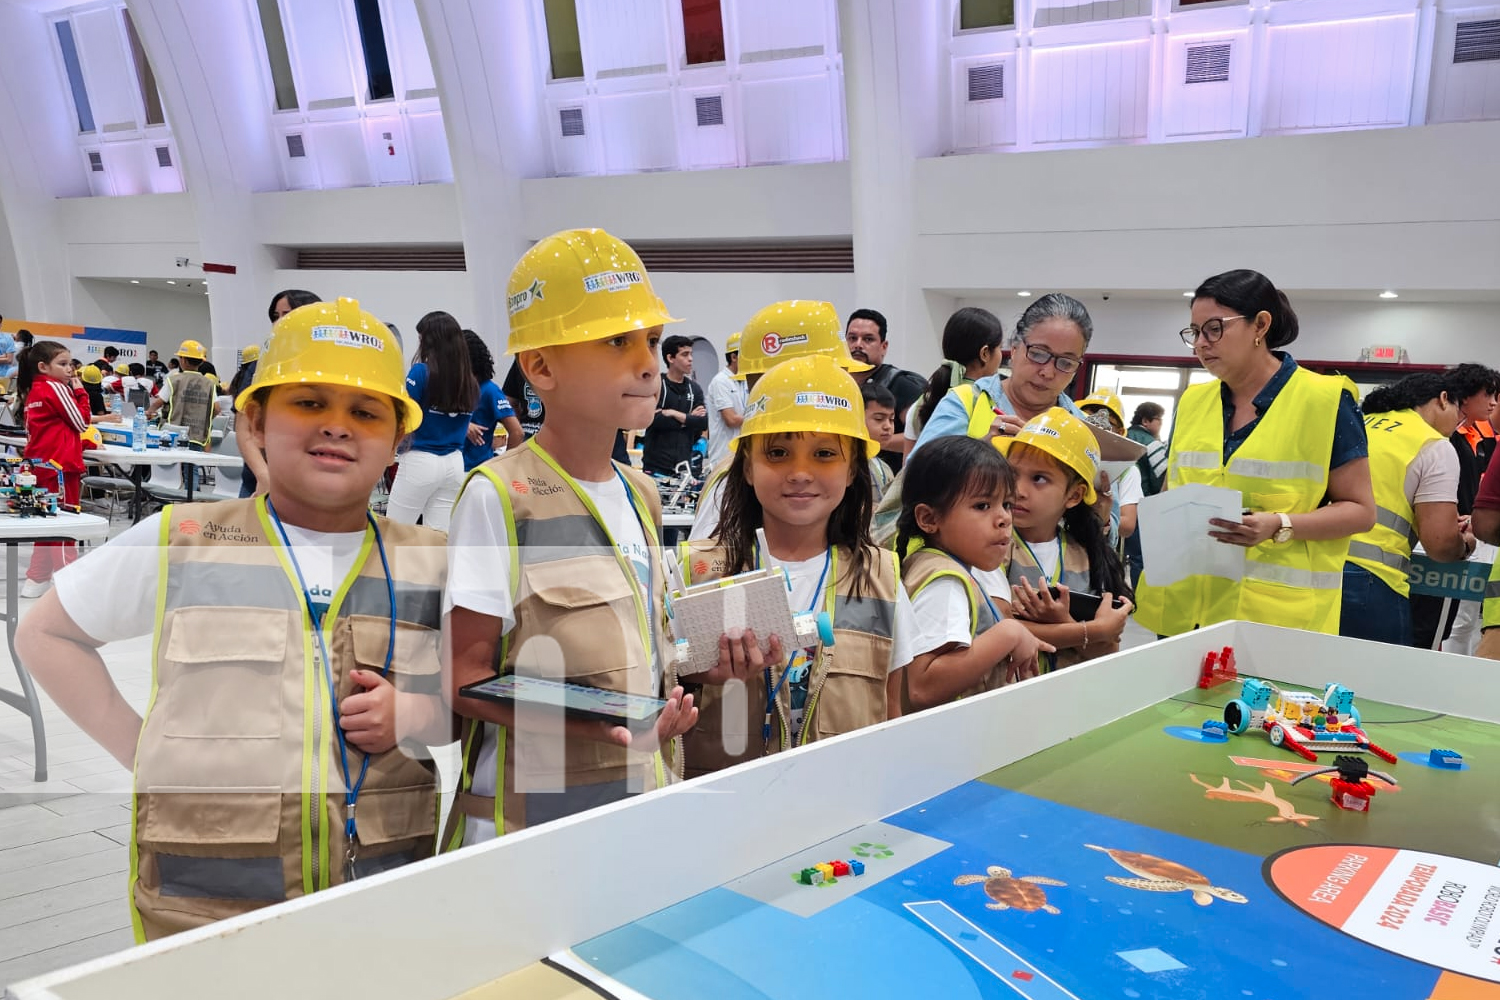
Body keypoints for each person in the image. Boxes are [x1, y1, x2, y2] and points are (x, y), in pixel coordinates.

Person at [16, 298, 449, 941]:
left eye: (364, 412)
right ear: (256, 420)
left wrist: (413, 715)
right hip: (205, 904)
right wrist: (148, 755)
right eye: (308, 403)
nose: (337, 426)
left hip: (377, 892)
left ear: (398, 441)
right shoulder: (185, 537)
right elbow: (46, 634)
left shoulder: (430, 562)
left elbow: (469, 698)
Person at [443, 228, 698, 845]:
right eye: (617, 341)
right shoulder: (497, 496)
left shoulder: (641, 492)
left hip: (637, 810)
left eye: (652, 341)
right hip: (531, 830)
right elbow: (463, 678)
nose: (646, 363)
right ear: (540, 366)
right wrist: (601, 722)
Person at [676, 354, 915, 777]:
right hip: (720, 815)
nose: (800, 473)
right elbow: (661, 704)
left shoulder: (883, 578)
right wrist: (696, 676)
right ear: (748, 467)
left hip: (839, 811)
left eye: (824, 454)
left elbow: (891, 712)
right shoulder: (695, 572)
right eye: (778, 453)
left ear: (852, 468)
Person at [1133, 269, 1375, 637]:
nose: (1201, 343)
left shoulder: (1325, 401)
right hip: (1184, 611)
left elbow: (1361, 512)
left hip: (1274, 618)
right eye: (1194, 332)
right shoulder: (1195, 400)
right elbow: (1174, 488)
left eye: (1214, 328)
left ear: (1260, 325)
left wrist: (1280, 525)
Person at [688, 300, 871, 541]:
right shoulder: (733, 481)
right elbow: (710, 565)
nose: (842, 385)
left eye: (824, 454)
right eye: (777, 453)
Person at [895, 436, 1051, 711]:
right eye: (982, 506)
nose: (1004, 518)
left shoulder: (940, 565)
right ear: (929, 519)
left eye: (1006, 504)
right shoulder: (945, 582)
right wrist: (1009, 634)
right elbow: (922, 686)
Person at [1338, 374, 1471, 646]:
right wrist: (1464, 543)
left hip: (1316, 568)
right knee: (1375, 685)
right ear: (1443, 399)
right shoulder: (1433, 445)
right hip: (1372, 582)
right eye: (1460, 415)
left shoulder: (1359, 423)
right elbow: (1440, 544)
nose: (1459, 426)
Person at [999, 409, 1134, 670]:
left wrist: (1063, 620)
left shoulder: (1086, 554)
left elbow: (1107, 649)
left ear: (1074, 496)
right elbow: (993, 629)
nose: (1018, 490)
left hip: (1064, 699)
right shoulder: (994, 544)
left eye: (1039, 478)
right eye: (1012, 474)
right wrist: (1086, 630)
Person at [1412, 363, 1500, 649]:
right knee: (1430, 626)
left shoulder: (1472, 438)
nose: (1493, 403)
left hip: (1461, 537)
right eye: (1487, 395)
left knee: (1452, 624)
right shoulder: (1441, 440)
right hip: (1430, 544)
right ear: (1464, 397)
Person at [386, 311, 478, 532]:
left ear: (429, 341)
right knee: (439, 537)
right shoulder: (470, 382)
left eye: (420, 339)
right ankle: (437, 569)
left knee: (396, 533)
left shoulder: (420, 373)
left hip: (420, 460)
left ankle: (394, 568)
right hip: (455, 464)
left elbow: (402, 415)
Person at [16, 341, 91, 598]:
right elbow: (81, 422)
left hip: (42, 465)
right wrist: (81, 392)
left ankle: (36, 579)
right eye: (63, 364)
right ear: (43, 366)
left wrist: (86, 443)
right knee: (63, 528)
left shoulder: (34, 390)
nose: (70, 369)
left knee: (48, 527)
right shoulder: (56, 388)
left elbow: (53, 429)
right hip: (60, 467)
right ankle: (67, 585)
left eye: (70, 363)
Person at [236, 290, 322, 498]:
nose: (279, 322)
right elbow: (244, 427)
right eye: (276, 316)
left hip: (313, 483)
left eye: (288, 314)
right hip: (258, 481)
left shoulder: (327, 369)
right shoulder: (260, 367)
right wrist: (263, 475)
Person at [905, 307, 1006, 446]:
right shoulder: (985, 402)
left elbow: (909, 463)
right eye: (1000, 347)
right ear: (985, 353)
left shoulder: (922, 401)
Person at [845, 308, 926, 471]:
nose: (858, 345)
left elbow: (925, 435)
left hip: (888, 481)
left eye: (868, 339)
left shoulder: (903, 385)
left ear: (883, 346)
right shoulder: (836, 381)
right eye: (852, 338)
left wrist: (879, 441)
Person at [1079, 389, 1142, 546]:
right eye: (1087, 419)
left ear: (1120, 432)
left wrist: (1101, 515)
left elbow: (1127, 525)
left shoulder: (1126, 469)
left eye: (1107, 423)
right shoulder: (1068, 456)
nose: (1096, 426)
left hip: (1099, 549)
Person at [642, 334, 707, 476]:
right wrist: (688, 419)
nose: (690, 359)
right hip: (655, 467)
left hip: (683, 466)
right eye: (684, 355)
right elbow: (652, 419)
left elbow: (703, 423)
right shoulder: (657, 384)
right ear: (670, 358)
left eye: (691, 354)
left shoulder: (694, 389)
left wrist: (674, 413)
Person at [461, 329, 523, 471]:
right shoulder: (453, 388)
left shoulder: (489, 390)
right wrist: (465, 426)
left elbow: (517, 432)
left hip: (477, 469)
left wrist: (505, 467)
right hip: (453, 470)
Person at [1123, 401, 1168, 586]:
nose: (1161, 425)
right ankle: (1137, 599)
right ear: (1146, 421)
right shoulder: (1151, 443)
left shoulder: (1123, 436)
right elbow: (1163, 478)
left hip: (1120, 505)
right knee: (1140, 557)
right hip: (1143, 508)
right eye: (1159, 420)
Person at [147, 339, 217, 448]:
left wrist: (148, 413)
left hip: (173, 435)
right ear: (202, 361)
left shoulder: (174, 380)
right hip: (198, 437)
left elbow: (158, 403)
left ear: (183, 360)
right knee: (193, 464)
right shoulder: (209, 384)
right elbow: (217, 409)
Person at [704, 331, 745, 469]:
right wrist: (757, 418)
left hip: (742, 454)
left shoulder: (745, 381)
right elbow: (731, 420)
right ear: (734, 357)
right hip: (724, 457)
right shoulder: (720, 382)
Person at [861, 381, 898, 499]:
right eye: (879, 419)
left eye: (891, 419)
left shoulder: (885, 468)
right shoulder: (849, 465)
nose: (887, 426)